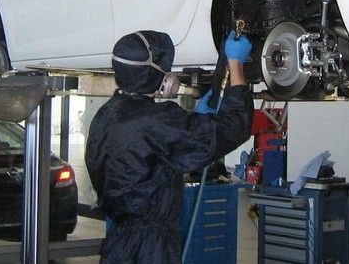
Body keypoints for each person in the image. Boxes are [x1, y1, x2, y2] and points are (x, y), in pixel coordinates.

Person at [85, 29, 253, 263]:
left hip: (117, 245)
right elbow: (234, 127)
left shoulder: (104, 117)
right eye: (165, 69)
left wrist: (196, 120)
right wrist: (236, 64)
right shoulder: (159, 121)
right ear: (157, 77)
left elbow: (150, 152)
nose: (168, 74)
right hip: (151, 249)